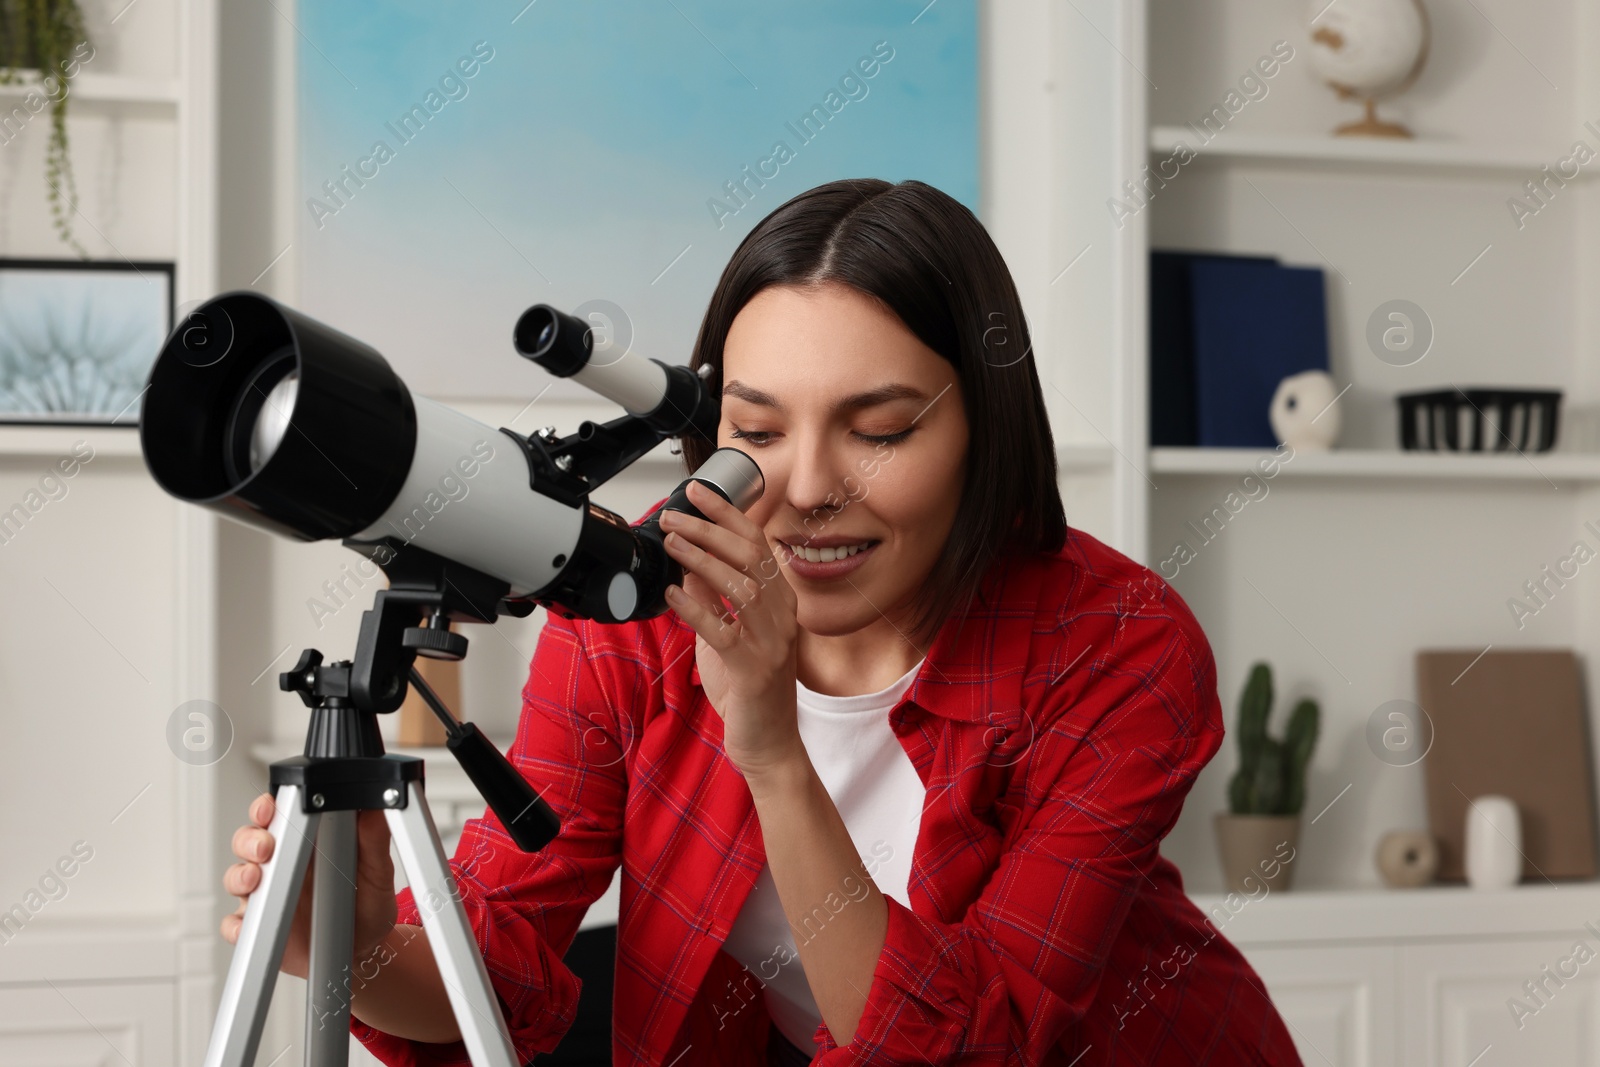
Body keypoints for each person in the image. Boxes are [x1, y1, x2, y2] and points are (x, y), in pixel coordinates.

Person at [222, 178, 1303, 1066]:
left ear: (987, 421)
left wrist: (772, 746)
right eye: (756, 429)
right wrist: (359, 947)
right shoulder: (633, 607)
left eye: (878, 429)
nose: (808, 487)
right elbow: (495, 965)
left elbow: (980, 1045)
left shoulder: (1115, 639)